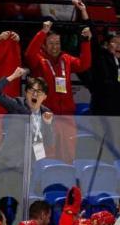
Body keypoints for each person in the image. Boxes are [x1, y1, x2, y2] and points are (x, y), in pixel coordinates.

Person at [24, 17, 92, 162]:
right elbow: (29, 54)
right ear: (43, 45)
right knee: (45, 155)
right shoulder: (38, 61)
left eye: (57, 43)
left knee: (68, 156)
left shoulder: (66, 59)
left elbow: (84, 64)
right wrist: (43, 32)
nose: (55, 47)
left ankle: (66, 182)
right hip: (44, 117)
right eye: (51, 43)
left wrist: (85, 42)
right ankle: (42, 182)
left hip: (67, 117)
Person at [0, 68, 55, 198]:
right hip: (5, 165)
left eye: (39, 92)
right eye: (32, 91)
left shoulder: (46, 112)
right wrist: (13, 76)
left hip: (25, 169)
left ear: (45, 97)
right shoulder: (17, 105)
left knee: (19, 206)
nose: (35, 94)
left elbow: (49, 142)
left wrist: (48, 125)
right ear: (26, 93)